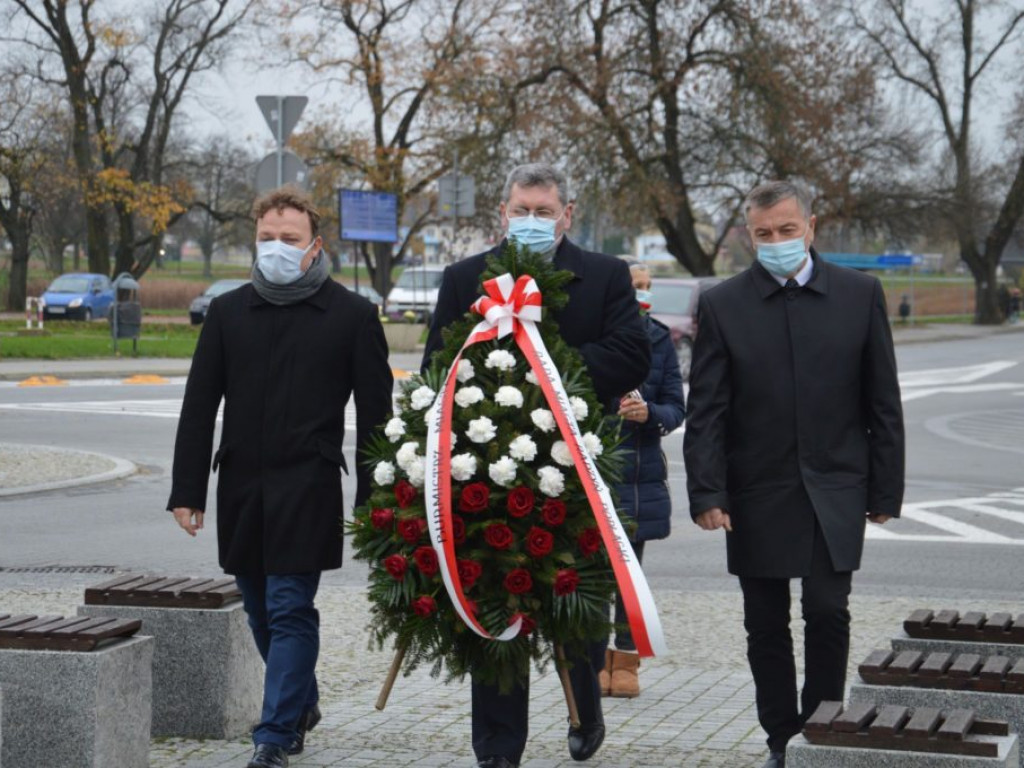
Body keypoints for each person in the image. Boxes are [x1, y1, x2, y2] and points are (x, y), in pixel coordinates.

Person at [423, 162, 651, 768]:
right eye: (521, 209)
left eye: (543, 211)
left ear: (567, 215)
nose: (531, 221)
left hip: (576, 470)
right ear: (502, 213)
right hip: (486, 474)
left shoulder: (604, 276)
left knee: (574, 604)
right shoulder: (464, 277)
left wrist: (544, 365)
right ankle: (498, 748)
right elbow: (434, 368)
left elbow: (632, 353)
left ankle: (585, 707)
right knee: (498, 603)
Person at [167, 186, 393, 768]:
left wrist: (376, 498)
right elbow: (199, 405)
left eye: (288, 239)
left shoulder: (352, 315)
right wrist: (187, 490)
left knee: (291, 605)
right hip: (241, 481)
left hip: (309, 484)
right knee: (258, 609)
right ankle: (300, 703)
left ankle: (274, 735)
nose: (276, 248)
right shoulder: (228, 311)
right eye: (267, 238)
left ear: (314, 247)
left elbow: (376, 416)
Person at [683, 180, 905, 768]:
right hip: (756, 491)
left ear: (811, 226)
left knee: (829, 611)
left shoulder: (860, 295)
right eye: (763, 234)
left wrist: (885, 488)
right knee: (765, 624)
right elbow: (706, 411)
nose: (776, 242)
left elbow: (883, 401)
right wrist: (707, 492)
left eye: (787, 230)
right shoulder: (723, 304)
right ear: (748, 236)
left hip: (836, 486)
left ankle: (823, 727)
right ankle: (782, 738)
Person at [600, 263, 685, 699]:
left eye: (648, 287)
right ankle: (596, 663)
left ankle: (627, 660)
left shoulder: (659, 337)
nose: (643, 294)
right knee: (594, 572)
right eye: (636, 286)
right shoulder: (595, 330)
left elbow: (676, 405)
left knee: (630, 575)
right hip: (596, 468)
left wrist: (650, 413)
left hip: (638, 473)